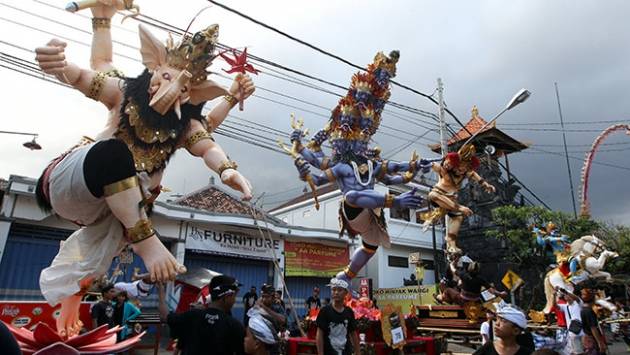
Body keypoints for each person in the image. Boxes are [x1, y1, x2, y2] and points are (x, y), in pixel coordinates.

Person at [34, 2, 255, 337]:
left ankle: (69, 304)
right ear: (153, 66)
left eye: (182, 88)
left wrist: (226, 170)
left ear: (189, 94)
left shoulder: (183, 125)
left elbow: (206, 141)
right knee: (115, 153)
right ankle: (147, 244)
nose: (167, 89)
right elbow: (85, 75)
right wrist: (61, 65)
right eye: (165, 76)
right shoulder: (124, 93)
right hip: (74, 183)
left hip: (113, 213)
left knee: (95, 253)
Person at [159, 275, 245, 355]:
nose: (234, 300)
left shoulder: (192, 315)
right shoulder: (235, 326)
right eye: (234, 296)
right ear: (226, 297)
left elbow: (164, 317)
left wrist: (160, 288)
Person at [316, 278, 360, 355]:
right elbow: (319, 334)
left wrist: (358, 352)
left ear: (346, 293)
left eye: (339, 290)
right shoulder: (324, 311)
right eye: (333, 290)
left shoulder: (349, 312)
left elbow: (353, 334)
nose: (336, 292)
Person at [554, 289, 583, 355]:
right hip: (572, 333)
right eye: (565, 295)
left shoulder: (578, 303)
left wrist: (566, 292)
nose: (567, 296)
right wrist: (554, 296)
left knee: (588, 351)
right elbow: (555, 306)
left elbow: (576, 298)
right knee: (578, 352)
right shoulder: (565, 306)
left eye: (569, 295)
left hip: (583, 332)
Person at [579, 288, 607, 355]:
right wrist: (600, 343)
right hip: (592, 339)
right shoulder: (589, 311)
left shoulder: (583, 310)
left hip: (587, 338)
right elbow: (593, 328)